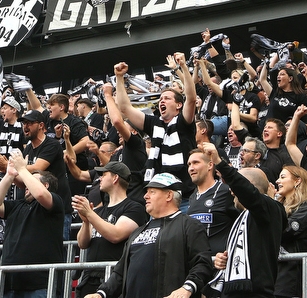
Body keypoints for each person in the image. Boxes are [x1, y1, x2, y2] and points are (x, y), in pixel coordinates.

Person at [86, 173, 214, 298]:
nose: (145, 196)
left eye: (152, 192)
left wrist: (187, 288)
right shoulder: (137, 232)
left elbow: (202, 263)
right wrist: (101, 293)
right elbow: (120, 272)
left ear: (169, 195)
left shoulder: (190, 226)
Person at [200, 142, 285, 298]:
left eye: (235, 187)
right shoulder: (243, 217)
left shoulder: (270, 209)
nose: (231, 192)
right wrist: (226, 260)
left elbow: (245, 191)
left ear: (248, 187)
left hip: (255, 293)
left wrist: (220, 163)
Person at [114, 57, 198, 209]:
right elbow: (125, 108)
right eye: (160, 99)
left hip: (184, 195)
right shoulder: (154, 123)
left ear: (179, 105)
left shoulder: (183, 122)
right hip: (159, 194)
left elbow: (191, 99)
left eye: (167, 98)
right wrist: (119, 78)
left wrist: (184, 67)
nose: (162, 101)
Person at [0, 151, 64, 298]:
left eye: (32, 181)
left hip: (40, 284)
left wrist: (23, 170)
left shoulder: (55, 202)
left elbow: (41, 194)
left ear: (46, 185)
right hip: (11, 281)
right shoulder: (17, 205)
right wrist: (9, 175)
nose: (27, 185)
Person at [72, 161, 147, 297]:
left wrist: (90, 214)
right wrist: (86, 222)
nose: (99, 178)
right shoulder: (98, 211)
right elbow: (83, 244)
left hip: (114, 278)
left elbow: (116, 235)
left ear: (115, 178)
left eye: (104, 174)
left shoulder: (134, 208)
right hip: (90, 277)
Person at [273, 166, 307, 298]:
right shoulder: (278, 206)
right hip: (270, 272)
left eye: (283, 177)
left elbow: (286, 231)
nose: (277, 181)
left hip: (290, 274)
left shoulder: (306, 207)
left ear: (297, 181)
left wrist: (270, 203)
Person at [186, 147, 238, 255]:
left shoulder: (225, 192)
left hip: (220, 263)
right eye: (189, 164)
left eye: (195, 163)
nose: (191, 168)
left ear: (210, 165)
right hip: (197, 263)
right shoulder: (192, 197)